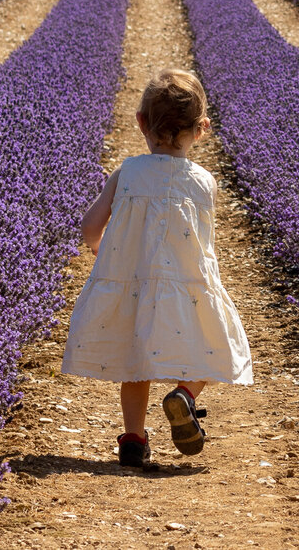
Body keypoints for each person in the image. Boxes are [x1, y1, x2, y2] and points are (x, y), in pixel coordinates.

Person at [61, 68, 253, 467]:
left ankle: (132, 439)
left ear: (142, 123)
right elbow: (203, 240)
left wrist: (103, 250)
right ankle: (184, 395)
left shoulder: (127, 172)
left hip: (131, 282)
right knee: (215, 345)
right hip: (186, 280)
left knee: (135, 362)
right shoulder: (203, 182)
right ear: (201, 130)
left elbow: (90, 227)